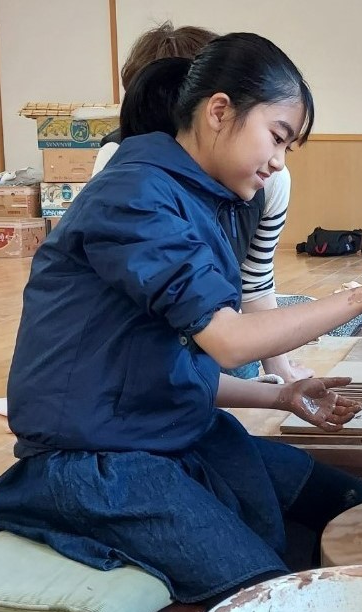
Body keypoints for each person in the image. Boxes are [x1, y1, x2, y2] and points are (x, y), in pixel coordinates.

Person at [0, 32, 362, 606]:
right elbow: (230, 341)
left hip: (168, 432)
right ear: (219, 111)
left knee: (345, 500)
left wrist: (282, 396)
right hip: (94, 463)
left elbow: (163, 367)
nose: (278, 161)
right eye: (277, 138)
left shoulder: (207, 197)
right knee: (265, 592)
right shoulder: (134, 194)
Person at [94, 22, 310, 382]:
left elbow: (254, 282)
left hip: (208, 337)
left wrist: (281, 376)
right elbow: (219, 340)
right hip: (137, 351)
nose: (278, 159)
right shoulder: (128, 177)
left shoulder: (268, 179)